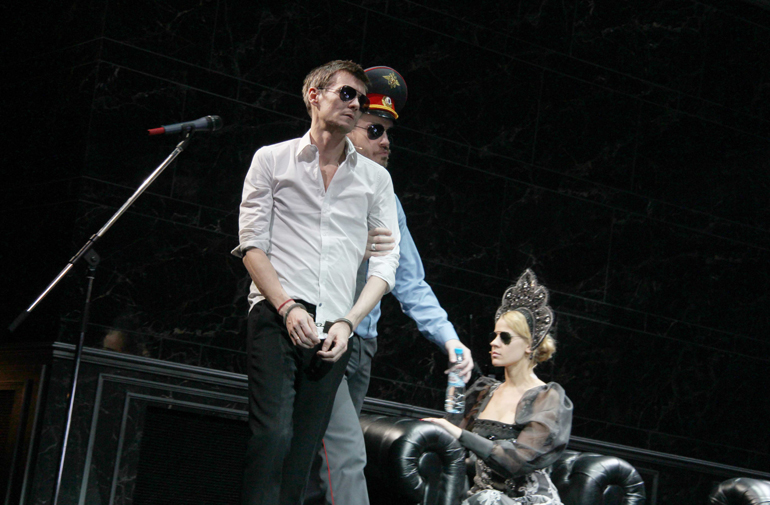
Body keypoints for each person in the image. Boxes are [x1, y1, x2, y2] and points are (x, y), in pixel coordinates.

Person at [232, 60, 401, 505]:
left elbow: (387, 265)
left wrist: (348, 322)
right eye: (346, 93)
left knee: (302, 451)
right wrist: (286, 307)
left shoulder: (375, 180)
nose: (355, 104)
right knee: (272, 436)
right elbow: (252, 246)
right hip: (276, 315)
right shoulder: (272, 160)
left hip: (334, 330)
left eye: (360, 99)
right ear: (314, 95)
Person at [307, 66, 474, 505]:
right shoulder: (310, 174)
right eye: (375, 130)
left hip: (360, 346)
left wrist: (449, 339)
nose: (386, 143)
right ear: (349, 125)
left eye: (388, 134)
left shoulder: (388, 200)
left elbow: (410, 282)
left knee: (320, 464)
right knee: (338, 454)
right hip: (315, 335)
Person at [424, 269, 573, 505]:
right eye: (494, 336)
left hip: (527, 500)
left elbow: (518, 461)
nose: (494, 343)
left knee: (489, 499)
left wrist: (462, 435)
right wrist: (456, 388)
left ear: (529, 344)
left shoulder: (547, 398)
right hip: (482, 499)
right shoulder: (484, 391)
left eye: (505, 337)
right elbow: (450, 437)